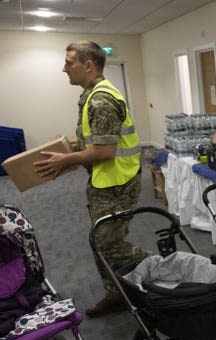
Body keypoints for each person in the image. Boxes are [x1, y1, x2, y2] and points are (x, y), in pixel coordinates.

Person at [34, 41, 148, 317]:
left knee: (108, 245)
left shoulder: (101, 100)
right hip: (105, 180)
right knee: (100, 242)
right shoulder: (91, 94)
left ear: (88, 65)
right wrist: (68, 157)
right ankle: (116, 294)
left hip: (117, 184)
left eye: (69, 62)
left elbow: (105, 151)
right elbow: (95, 144)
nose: (64, 69)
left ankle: (157, 263)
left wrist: (66, 160)